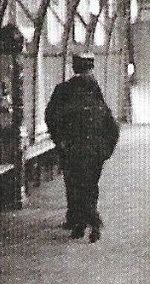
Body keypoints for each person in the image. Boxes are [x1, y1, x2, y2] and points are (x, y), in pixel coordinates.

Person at [45, 53, 120, 243]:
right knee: (90, 184)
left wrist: (59, 140)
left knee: (74, 184)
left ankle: (80, 220)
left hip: (72, 148)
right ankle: (89, 220)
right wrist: (106, 150)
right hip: (94, 149)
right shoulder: (94, 89)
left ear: (73, 67)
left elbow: (50, 116)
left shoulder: (63, 89)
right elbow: (110, 124)